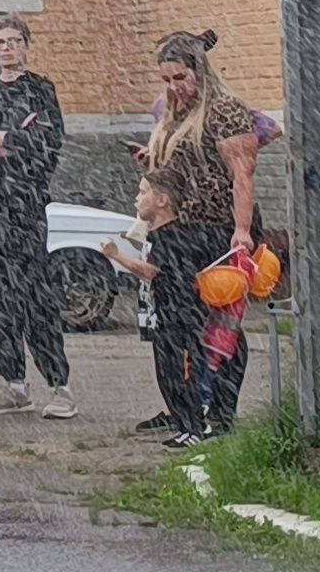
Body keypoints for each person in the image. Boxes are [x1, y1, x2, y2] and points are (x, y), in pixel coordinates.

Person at [129, 30, 261, 436]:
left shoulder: (224, 111)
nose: (174, 88)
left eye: (180, 78)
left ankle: (220, 414)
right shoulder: (175, 114)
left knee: (220, 327)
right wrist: (155, 160)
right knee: (173, 328)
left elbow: (243, 173)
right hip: (177, 232)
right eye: (166, 80)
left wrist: (241, 231)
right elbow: (190, 166)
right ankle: (183, 410)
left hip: (218, 232)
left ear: (199, 72)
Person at [0, 15, 75, 421]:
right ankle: (14, 384)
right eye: (0, 42)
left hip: (24, 207)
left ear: (26, 46)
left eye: (14, 41)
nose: (6, 48)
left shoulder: (41, 90)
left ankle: (60, 385)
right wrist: (0, 140)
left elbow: (45, 147)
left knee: (35, 295)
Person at [102, 168, 207, 448]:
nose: (138, 199)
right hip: (167, 316)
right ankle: (185, 426)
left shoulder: (172, 235)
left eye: (143, 192)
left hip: (182, 318)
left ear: (161, 200)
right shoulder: (159, 235)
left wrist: (116, 256)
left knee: (181, 374)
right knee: (167, 373)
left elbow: (151, 271)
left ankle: (194, 428)